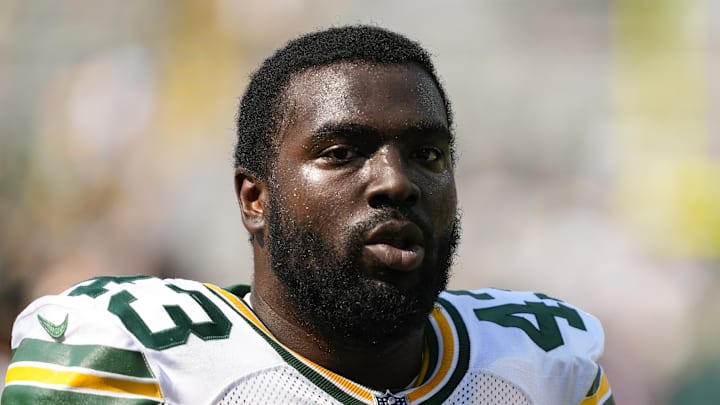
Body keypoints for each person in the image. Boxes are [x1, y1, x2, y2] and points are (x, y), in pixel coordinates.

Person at [2, 25, 614, 404]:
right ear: (254, 199)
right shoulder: (134, 361)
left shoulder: (539, 365)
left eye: (427, 154)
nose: (396, 182)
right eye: (342, 153)